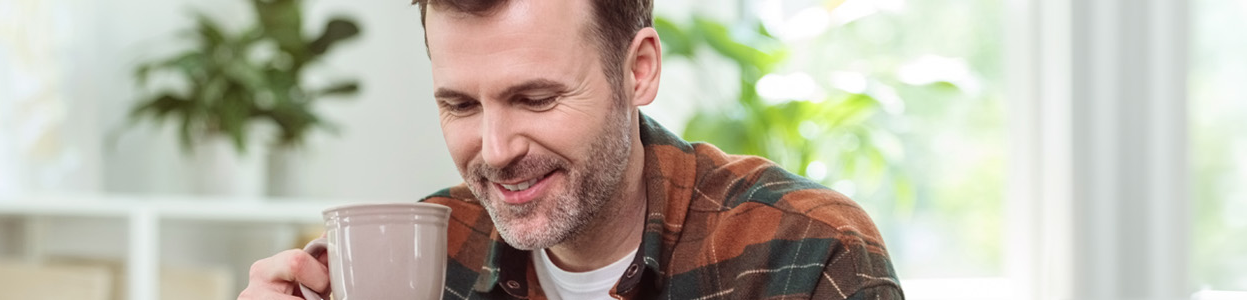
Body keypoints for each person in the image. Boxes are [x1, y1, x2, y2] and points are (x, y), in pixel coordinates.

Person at [241, 0, 903, 299]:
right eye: (460, 105)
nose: (495, 152)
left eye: (536, 99)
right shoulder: (432, 261)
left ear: (637, 70)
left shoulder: (807, 253)